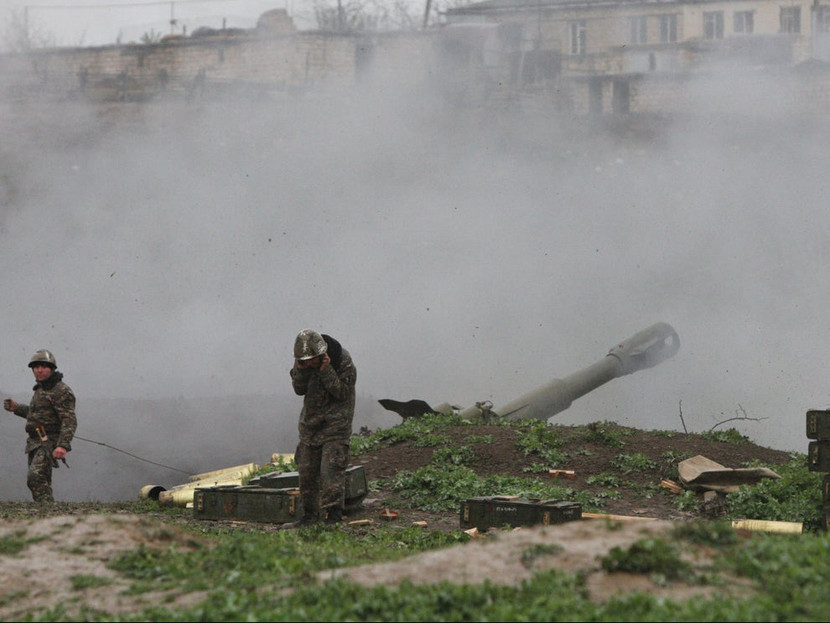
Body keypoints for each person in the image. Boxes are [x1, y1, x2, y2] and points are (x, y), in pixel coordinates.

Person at [288, 329, 356, 527]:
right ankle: (309, 515)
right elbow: (299, 389)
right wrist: (301, 370)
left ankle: (333, 515)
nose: (309, 364)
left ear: (322, 355)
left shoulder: (343, 362)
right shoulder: (303, 361)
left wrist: (326, 370)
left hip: (336, 425)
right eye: (305, 361)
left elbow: (342, 393)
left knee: (331, 470)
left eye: (312, 361)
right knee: (306, 471)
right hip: (311, 425)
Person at [3, 349, 77, 504]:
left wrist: (62, 445)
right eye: (36, 367)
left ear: (52, 369)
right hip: (35, 442)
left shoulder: (61, 391)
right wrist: (16, 408)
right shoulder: (41, 389)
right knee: (40, 480)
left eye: (44, 366)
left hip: (49, 441)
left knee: (35, 477)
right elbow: (38, 415)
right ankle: (46, 511)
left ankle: (47, 511)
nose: (39, 370)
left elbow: (69, 420)